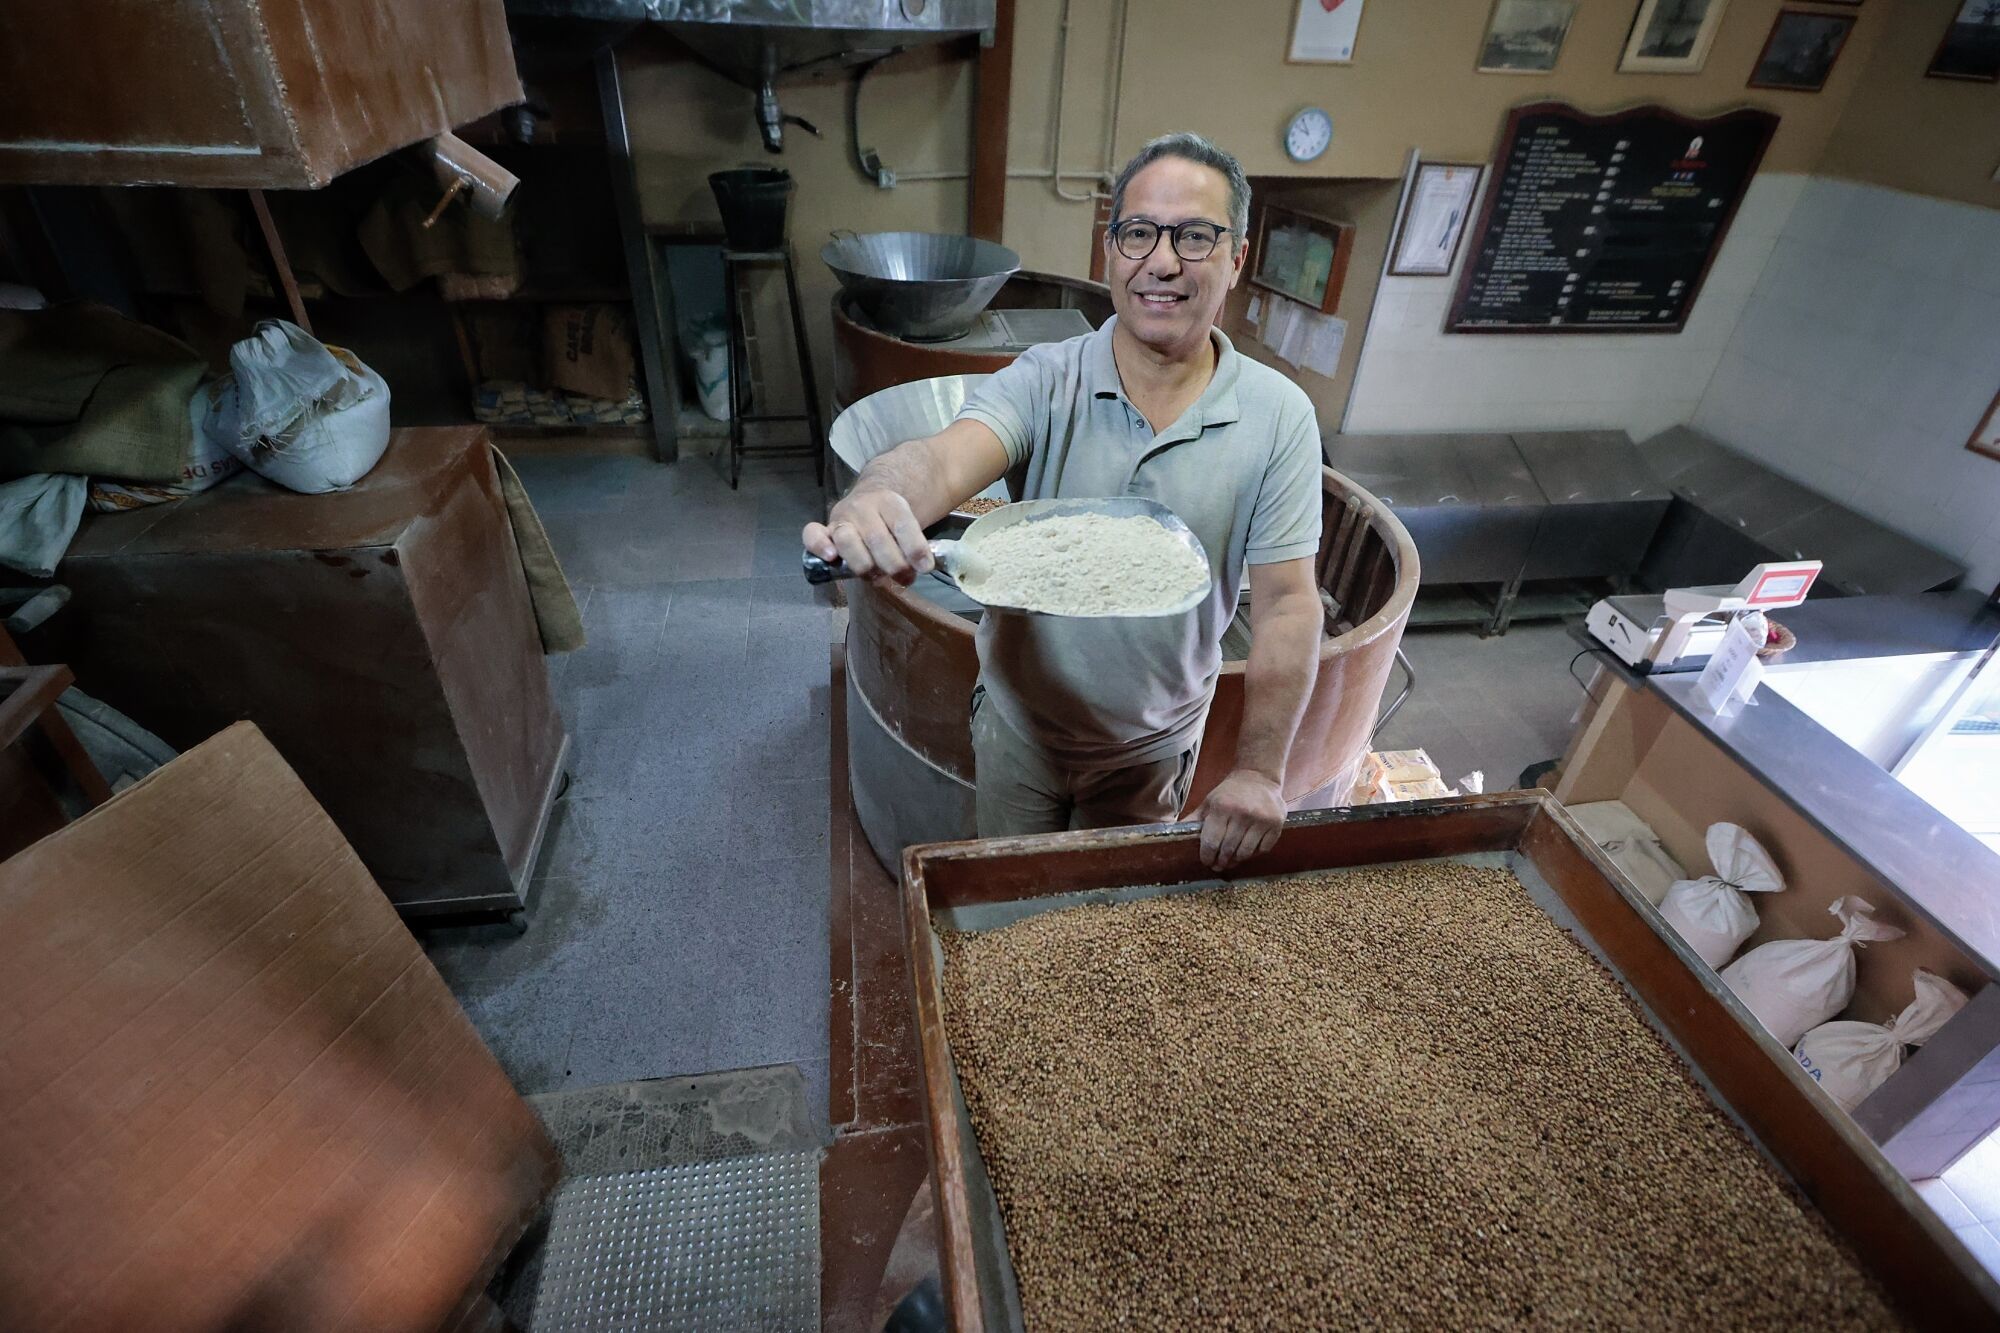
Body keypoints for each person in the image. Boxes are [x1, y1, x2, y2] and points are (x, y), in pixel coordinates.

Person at [803, 132, 1324, 871]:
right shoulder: (1046, 379)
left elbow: (1287, 605)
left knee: (1101, 927)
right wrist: (877, 493)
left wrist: (1262, 770)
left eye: (1196, 237)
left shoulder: (1279, 417)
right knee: (1012, 907)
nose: (1163, 261)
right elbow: (947, 456)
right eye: (1139, 233)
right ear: (1110, 251)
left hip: (1151, 748)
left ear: (1237, 258)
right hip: (1020, 731)